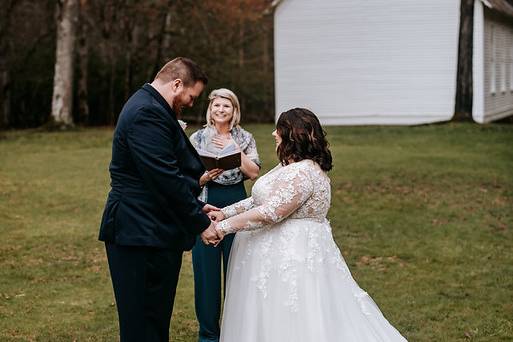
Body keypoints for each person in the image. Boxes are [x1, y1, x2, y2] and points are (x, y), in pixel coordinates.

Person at [209, 108, 408, 341]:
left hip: (292, 256)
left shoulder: (303, 173)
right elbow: (258, 200)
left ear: (292, 135)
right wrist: (223, 213)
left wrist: (223, 228)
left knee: (292, 316)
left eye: (279, 129)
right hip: (273, 254)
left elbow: (271, 212)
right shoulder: (288, 168)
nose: (274, 133)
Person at [98, 57, 222, 342]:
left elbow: (164, 174)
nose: (192, 103)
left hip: (151, 229)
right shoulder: (147, 112)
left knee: (154, 323)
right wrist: (200, 222)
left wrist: (197, 204)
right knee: (142, 326)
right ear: (177, 84)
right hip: (139, 233)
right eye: (192, 96)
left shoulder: (152, 107)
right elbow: (163, 177)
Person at [189, 88, 260, 342]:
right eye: (216, 106)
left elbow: (253, 173)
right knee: (206, 273)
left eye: (226, 106)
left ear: (234, 110)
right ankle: (208, 335)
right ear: (210, 109)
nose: (220, 110)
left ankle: (236, 331)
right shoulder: (197, 138)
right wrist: (204, 177)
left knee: (236, 268)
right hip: (206, 202)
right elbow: (185, 177)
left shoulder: (245, 137)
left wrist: (233, 147)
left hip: (236, 201)